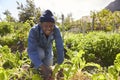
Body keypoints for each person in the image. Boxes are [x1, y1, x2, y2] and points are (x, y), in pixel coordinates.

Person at [27, 10, 64, 79]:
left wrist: (59, 65)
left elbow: (60, 46)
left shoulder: (56, 30)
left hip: (48, 48)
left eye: (51, 26)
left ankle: (41, 69)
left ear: (54, 25)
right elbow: (31, 50)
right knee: (41, 54)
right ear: (40, 24)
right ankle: (33, 68)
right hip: (37, 49)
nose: (49, 28)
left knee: (49, 65)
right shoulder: (33, 31)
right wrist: (43, 67)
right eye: (45, 26)